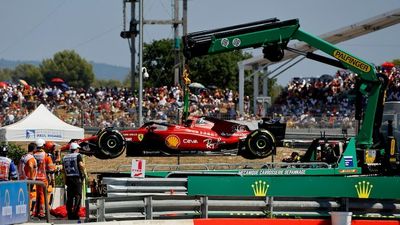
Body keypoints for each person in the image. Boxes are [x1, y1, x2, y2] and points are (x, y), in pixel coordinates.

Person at [62, 142, 87, 220]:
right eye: (78, 148)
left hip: (69, 178)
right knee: (78, 196)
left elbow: (64, 170)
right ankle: (75, 214)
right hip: (77, 178)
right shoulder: (78, 156)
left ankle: (69, 214)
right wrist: (84, 173)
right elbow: (81, 165)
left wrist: (65, 180)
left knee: (70, 197)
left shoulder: (65, 157)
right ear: (76, 149)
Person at [33, 138, 55, 218]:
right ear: (43, 146)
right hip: (43, 178)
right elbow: (51, 169)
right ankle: (42, 213)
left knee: (37, 195)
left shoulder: (33, 155)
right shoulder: (46, 155)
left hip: (34, 179)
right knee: (42, 195)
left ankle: (36, 212)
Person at [18, 142, 37, 214]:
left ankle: (23, 211)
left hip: (22, 179)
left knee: (23, 196)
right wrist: (32, 177)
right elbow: (30, 165)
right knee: (29, 195)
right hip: (28, 180)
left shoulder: (23, 156)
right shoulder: (31, 158)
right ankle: (28, 212)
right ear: (34, 149)